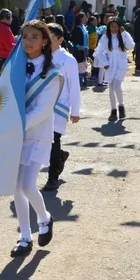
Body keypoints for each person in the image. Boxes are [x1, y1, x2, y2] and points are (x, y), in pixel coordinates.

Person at [10, 20, 61, 258]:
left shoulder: (52, 75)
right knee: (16, 188)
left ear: (44, 41)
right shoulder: (15, 67)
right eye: (24, 36)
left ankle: (44, 218)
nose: (28, 42)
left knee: (28, 185)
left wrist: (16, 125)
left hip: (38, 135)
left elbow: (43, 110)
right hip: (14, 136)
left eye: (34, 37)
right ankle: (24, 237)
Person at [43, 23, 81, 192]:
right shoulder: (38, 56)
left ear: (60, 39)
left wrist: (75, 110)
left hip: (59, 106)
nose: (46, 42)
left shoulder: (68, 60)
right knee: (41, 141)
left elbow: (74, 87)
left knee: (53, 139)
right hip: (41, 105)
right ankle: (60, 156)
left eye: (50, 38)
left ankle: (52, 178)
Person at [95, 19, 135, 122]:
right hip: (110, 64)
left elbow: (131, 45)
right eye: (112, 26)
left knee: (117, 86)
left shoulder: (122, 36)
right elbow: (98, 52)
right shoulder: (105, 37)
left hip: (121, 64)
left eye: (116, 27)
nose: (114, 29)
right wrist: (105, 63)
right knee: (111, 88)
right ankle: (113, 110)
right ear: (109, 27)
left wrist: (124, 33)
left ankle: (121, 105)